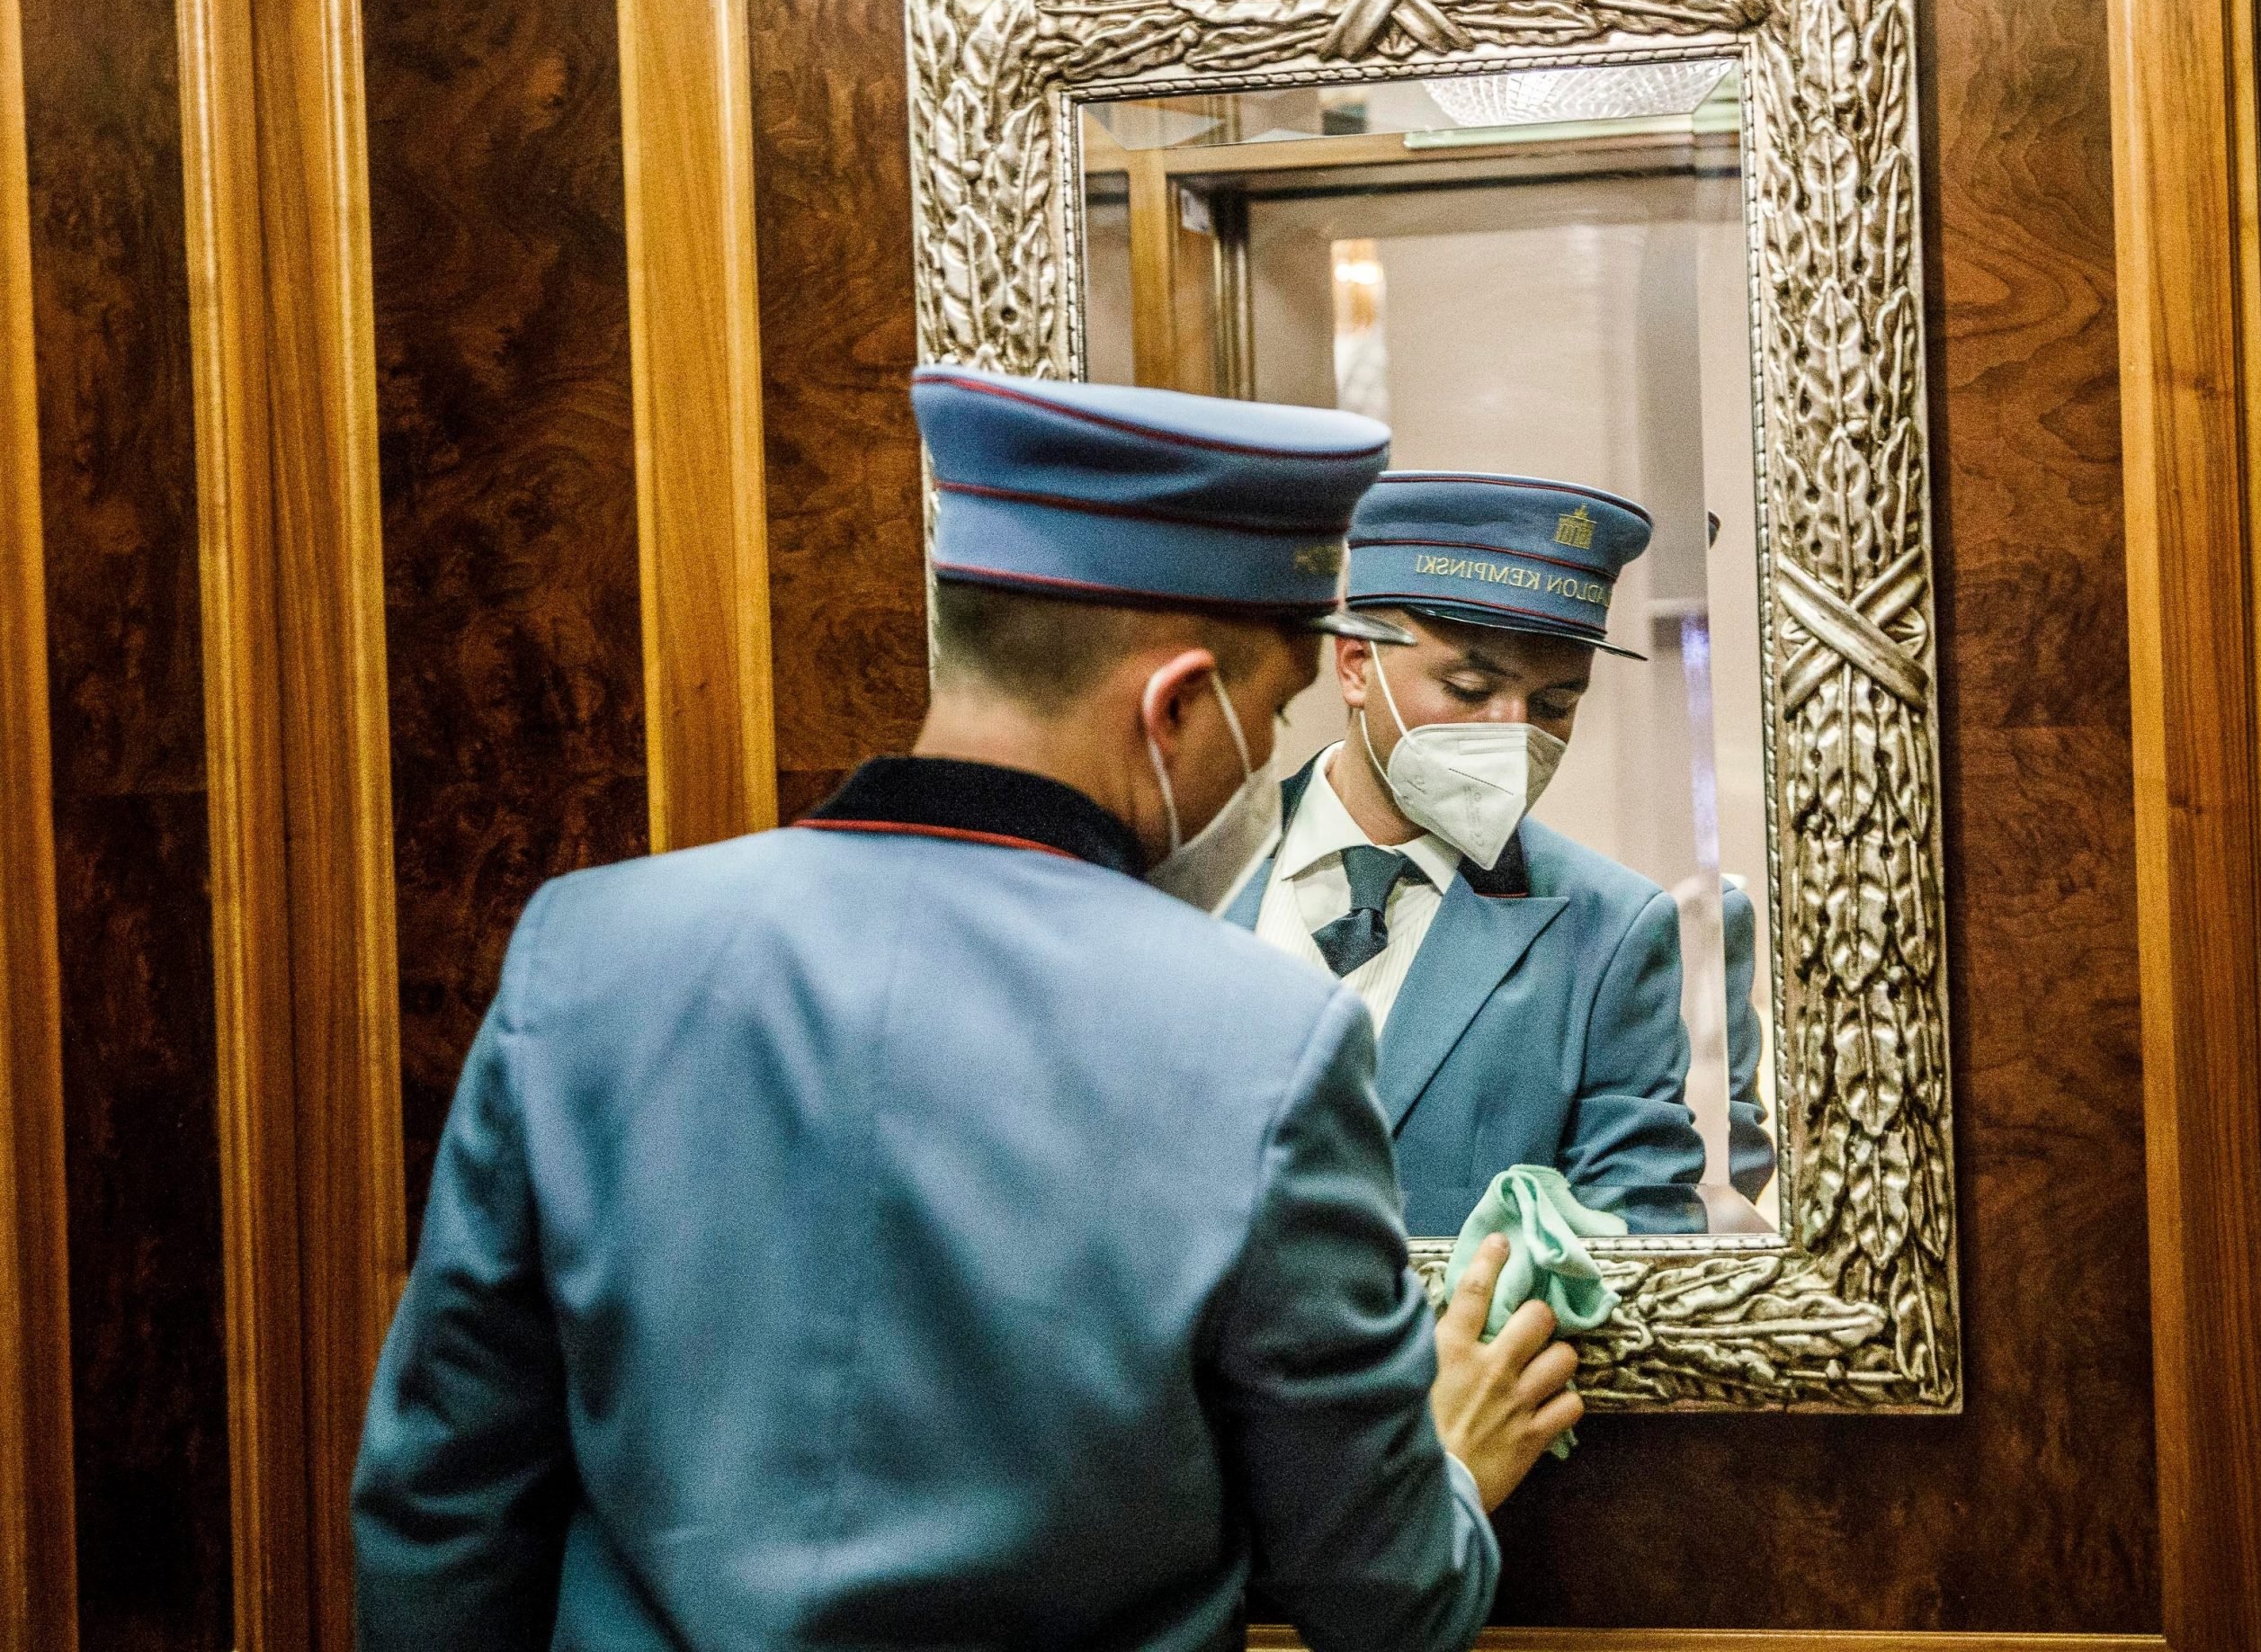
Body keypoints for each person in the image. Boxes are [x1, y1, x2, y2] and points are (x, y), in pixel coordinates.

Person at [351, 368, 1585, 1652]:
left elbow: (443, 1510)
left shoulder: (589, 955)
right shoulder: (1263, 1049)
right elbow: (1382, 1598)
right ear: (1175, 707)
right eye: (1268, 719)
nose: (1267, 765)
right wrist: (1446, 1470)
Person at [1227, 470, 1770, 1237]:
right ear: (1355, 663)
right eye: (1470, 687)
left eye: (1555, 704)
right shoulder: (1195, 874)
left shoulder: (1610, 933)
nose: (1514, 734)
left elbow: (1644, 1234)